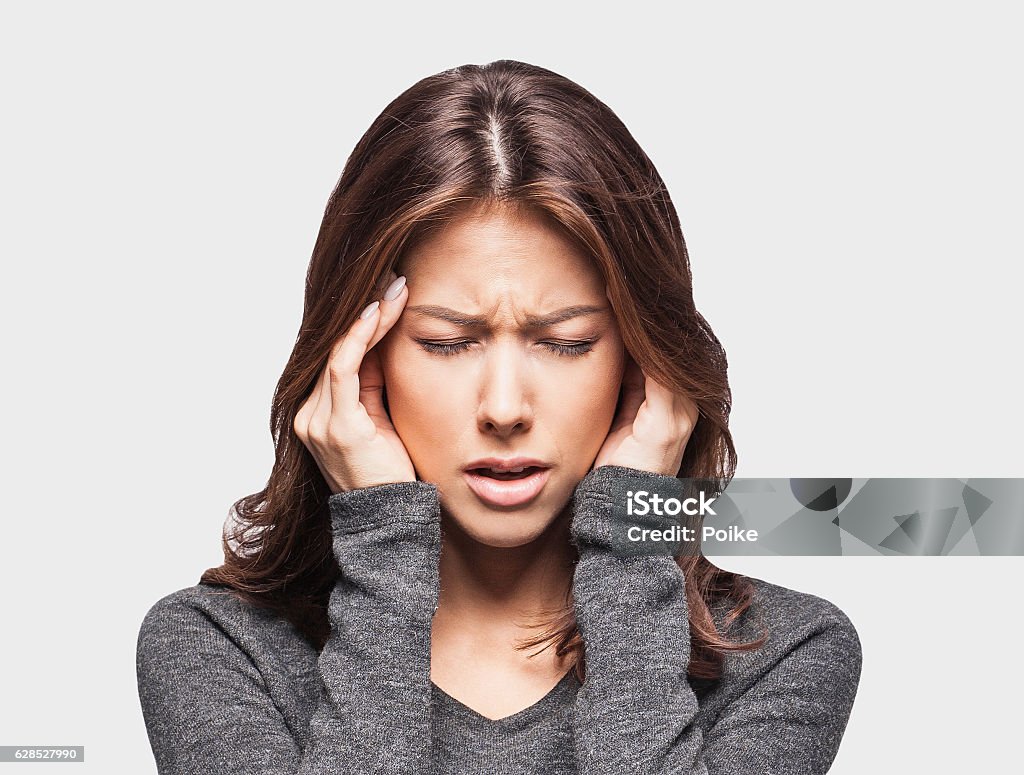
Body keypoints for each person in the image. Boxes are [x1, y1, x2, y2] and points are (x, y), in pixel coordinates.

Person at [136, 60, 862, 774]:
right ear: (358, 357)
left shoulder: (785, 654)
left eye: (566, 342)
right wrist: (385, 544)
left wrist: (631, 542)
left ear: (644, 363)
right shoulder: (218, 650)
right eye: (448, 341)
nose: (506, 408)